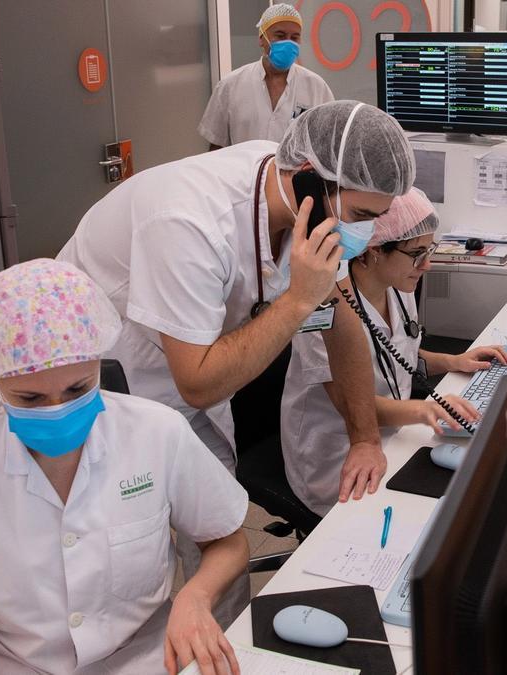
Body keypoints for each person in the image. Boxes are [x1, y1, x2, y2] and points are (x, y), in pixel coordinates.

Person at [59, 100, 414, 624]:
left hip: (192, 361)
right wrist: (296, 301)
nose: (366, 234)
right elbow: (197, 381)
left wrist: (363, 438)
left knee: (218, 533)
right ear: (312, 180)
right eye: (363, 216)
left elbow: (340, 321)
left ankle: (222, 650)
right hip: (103, 379)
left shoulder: (305, 201)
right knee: (130, 560)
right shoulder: (186, 220)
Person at [0, 259, 249, 675]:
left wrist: (194, 597)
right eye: (30, 399)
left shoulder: (156, 432)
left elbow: (227, 542)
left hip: (145, 662)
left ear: (98, 362)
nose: (58, 411)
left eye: (77, 389)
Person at [281, 188, 507, 515]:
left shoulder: (399, 287)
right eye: (417, 253)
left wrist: (454, 361)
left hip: (393, 430)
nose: (427, 265)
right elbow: (350, 406)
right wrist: (425, 410)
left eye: (428, 250)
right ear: (373, 251)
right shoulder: (322, 310)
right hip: (337, 455)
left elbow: (399, 352)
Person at [198, 3, 333, 150]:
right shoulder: (230, 86)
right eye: (280, 36)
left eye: (294, 37)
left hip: (298, 173)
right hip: (244, 172)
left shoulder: (316, 87)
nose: (288, 42)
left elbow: (328, 146)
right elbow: (216, 146)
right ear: (261, 38)